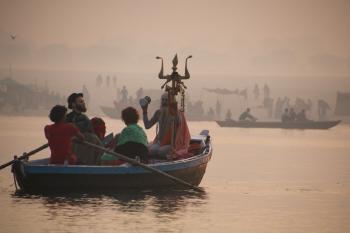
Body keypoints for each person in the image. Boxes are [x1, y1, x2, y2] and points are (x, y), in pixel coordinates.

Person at [66, 92, 103, 165]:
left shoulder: (82, 117)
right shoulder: (69, 118)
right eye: (80, 102)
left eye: (83, 101)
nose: (83, 103)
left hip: (85, 146)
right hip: (79, 148)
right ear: (73, 104)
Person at [142, 93, 180, 159]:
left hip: (171, 144)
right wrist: (144, 111)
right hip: (160, 142)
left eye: (166, 100)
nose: (164, 102)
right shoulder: (158, 112)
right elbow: (147, 126)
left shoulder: (176, 114)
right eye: (163, 100)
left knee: (161, 151)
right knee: (151, 150)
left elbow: (180, 128)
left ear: (171, 102)